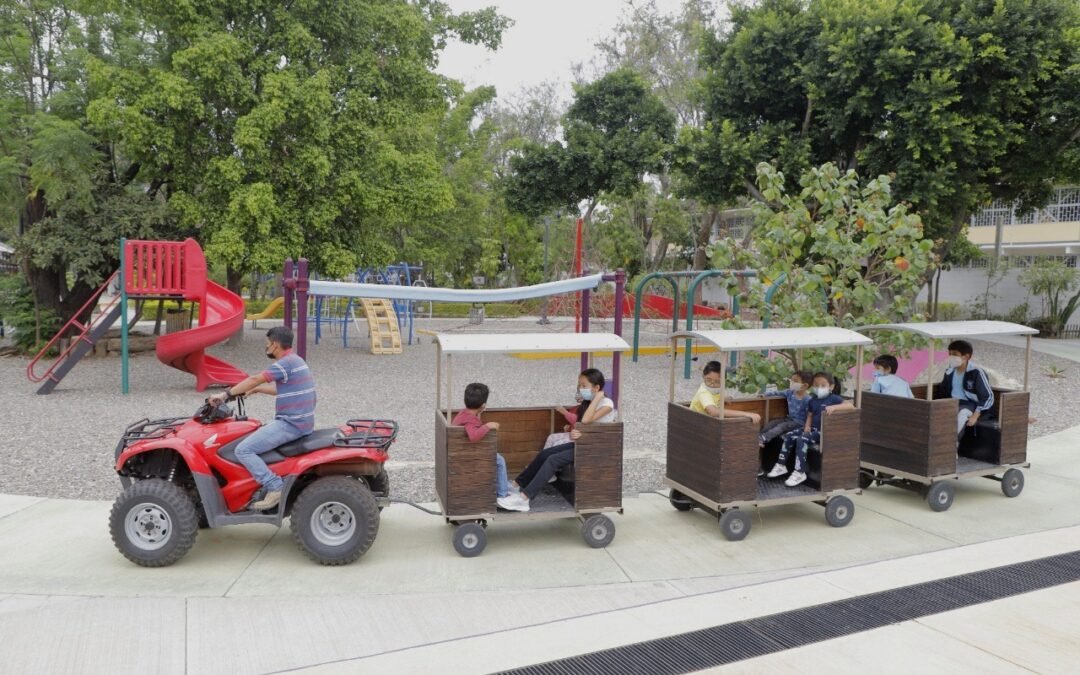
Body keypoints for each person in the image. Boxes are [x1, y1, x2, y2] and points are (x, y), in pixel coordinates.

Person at [208, 326, 315, 511]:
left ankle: (275, 487)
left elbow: (255, 378)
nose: (266, 348)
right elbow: (281, 389)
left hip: (290, 424)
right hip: (302, 422)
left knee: (243, 450)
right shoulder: (297, 361)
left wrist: (225, 395)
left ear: (275, 345)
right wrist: (258, 390)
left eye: (267, 344)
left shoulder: (284, 363)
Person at [504, 368, 616, 510]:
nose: (581, 389)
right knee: (546, 453)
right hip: (583, 444)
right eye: (579, 385)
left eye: (584, 386)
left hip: (593, 449)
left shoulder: (607, 403)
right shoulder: (587, 403)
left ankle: (524, 498)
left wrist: (598, 397)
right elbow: (582, 425)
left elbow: (587, 420)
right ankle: (517, 484)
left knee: (553, 460)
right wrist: (576, 432)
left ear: (597, 388)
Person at [767, 372, 853, 487]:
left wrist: (835, 407)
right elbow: (810, 415)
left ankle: (800, 471)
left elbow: (850, 406)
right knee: (789, 435)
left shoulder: (834, 399)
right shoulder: (813, 400)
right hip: (812, 429)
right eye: (816, 385)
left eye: (823, 385)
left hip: (823, 432)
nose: (819, 388)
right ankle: (781, 465)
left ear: (831, 387)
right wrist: (807, 426)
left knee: (801, 440)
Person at [451, 383, 525, 512]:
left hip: (463, 452)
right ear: (483, 405)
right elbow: (473, 436)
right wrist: (487, 426)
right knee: (499, 461)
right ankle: (502, 495)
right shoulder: (470, 420)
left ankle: (504, 485)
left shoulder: (464, 413)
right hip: (469, 455)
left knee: (497, 458)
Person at [934, 339, 994, 440]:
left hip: (970, 405)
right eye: (950, 354)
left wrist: (975, 416)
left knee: (962, 414)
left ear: (966, 356)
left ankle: (953, 444)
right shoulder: (949, 372)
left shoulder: (976, 372)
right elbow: (942, 392)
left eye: (955, 354)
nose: (951, 357)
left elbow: (988, 397)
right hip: (951, 403)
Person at [690, 361, 762, 426]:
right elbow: (713, 412)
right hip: (696, 425)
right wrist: (746, 414)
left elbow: (716, 396)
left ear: (724, 381)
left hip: (705, 423)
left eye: (717, 382)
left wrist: (724, 398)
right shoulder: (703, 393)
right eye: (708, 380)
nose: (712, 384)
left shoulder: (716, 390)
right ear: (703, 376)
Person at [759, 370, 813, 448]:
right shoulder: (790, 392)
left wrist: (807, 427)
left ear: (805, 385)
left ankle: (764, 438)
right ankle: (759, 436)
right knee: (772, 423)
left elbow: (810, 415)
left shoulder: (808, 400)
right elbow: (777, 393)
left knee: (782, 426)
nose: (792, 383)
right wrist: (765, 394)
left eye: (795, 381)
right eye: (792, 380)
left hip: (799, 423)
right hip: (789, 419)